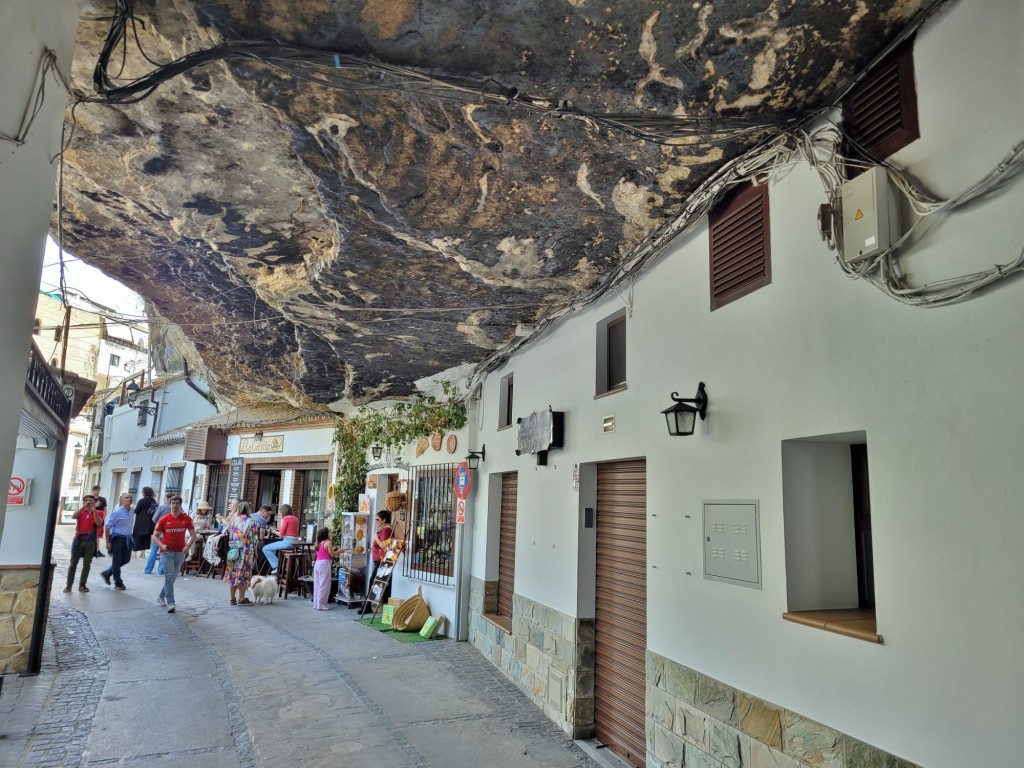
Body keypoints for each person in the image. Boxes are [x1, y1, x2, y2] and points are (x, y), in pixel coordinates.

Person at [152, 495, 196, 613]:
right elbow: (154, 536)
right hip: (167, 552)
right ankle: (171, 602)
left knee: (172, 578)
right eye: (173, 503)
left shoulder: (186, 519)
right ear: (170, 505)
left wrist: (188, 546)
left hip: (180, 552)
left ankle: (161, 596)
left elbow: (193, 535)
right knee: (169, 576)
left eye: (177, 503)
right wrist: (161, 545)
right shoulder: (164, 519)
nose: (175, 505)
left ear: (180, 505)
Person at [64, 495, 103, 592]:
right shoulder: (81, 512)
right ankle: (69, 585)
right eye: (86, 500)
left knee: (87, 564)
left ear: (94, 502)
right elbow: (73, 516)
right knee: (73, 563)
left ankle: (82, 584)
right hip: (78, 540)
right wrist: (84, 507)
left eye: (90, 500)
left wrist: (94, 511)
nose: (88, 501)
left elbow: (98, 523)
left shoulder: (99, 512)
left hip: (90, 541)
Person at [223, 501, 259, 606]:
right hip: (246, 553)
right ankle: (242, 598)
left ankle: (232, 598)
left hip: (233, 552)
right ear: (248, 509)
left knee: (233, 574)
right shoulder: (252, 522)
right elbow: (254, 539)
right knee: (243, 574)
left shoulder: (232, 520)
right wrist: (255, 552)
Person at [360, 509, 393, 615]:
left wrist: (375, 537)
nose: (376, 521)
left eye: (378, 519)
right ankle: (369, 605)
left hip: (381, 561)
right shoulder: (383, 529)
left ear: (384, 520)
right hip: (378, 560)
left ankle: (368, 606)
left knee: (374, 582)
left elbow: (384, 546)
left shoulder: (386, 530)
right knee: (376, 583)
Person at [100, 492, 134, 590]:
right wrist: (108, 542)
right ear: (122, 500)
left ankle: (107, 573)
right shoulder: (117, 512)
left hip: (127, 538)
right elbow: (107, 527)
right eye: (127, 497)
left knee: (126, 559)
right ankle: (118, 582)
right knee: (117, 560)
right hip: (117, 538)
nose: (129, 499)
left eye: (131, 497)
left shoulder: (132, 511)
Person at [262, 503, 300, 574]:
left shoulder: (286, 518)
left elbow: (281, 534)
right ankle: (278, 566)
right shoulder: (295, 518)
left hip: (287, 542)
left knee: (265, 548)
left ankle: (277, 566)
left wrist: (273, 530)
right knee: (272, 549)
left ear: (283, 512)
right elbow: (290, 532)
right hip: (295, 542)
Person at [312, 526, 342, 611]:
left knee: (317, 584)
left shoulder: (318, 543)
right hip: (325, 564)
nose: (330, 533)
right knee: (324, 585)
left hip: (317, 563)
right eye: (329, 532)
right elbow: (332, 554)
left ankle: (316, 604)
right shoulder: (328, 543)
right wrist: (340, 551)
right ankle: (322, 605)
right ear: (326, 534)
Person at [144, 494, 171, 575]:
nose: (163, 499)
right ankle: (161, 570)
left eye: (165, 498)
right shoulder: (177, 508)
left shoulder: (162, 507)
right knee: (164, 552)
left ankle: (148, 570)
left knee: (154, 551)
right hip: (168, 533)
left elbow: (154, 518)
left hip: (158, 532)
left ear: (167, 499)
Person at [131, 486, 158, 557]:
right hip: (150, 522)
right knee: (146, 537)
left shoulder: (142, 501)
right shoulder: (153, 501)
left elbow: (136, 510)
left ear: (145, 492)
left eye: (143, 492)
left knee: (137, 536)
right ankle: (143, 554)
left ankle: (134, 553)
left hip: (140, 521)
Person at [91, 486, 108, 558]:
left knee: (98, 534)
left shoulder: (103, 499)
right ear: (93, 491)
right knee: (91, 534)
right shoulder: (90, 499)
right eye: (96, 490)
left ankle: (97, 550)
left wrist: (103, 518)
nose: (97, 491)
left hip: (100, 518)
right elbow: (87, 508)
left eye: (98, 490)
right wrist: (95, 505)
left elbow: (105, 509)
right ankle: (92, 550)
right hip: (92, 518)